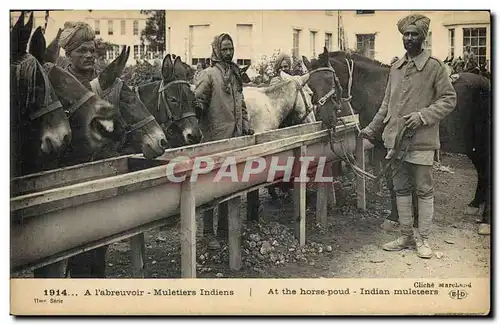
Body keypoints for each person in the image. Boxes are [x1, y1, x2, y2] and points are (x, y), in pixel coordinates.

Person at [359, 14, 457, 259]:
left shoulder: (435, 67)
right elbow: (386, 105)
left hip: (421, 140)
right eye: (406, 34)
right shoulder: (395, 68)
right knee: (400, 188)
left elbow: (449, 99)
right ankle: (405, 236)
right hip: (394, 141)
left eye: (415, 34)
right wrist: (371, 130)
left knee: (423, 189)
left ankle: (423, 239)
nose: (410, 38)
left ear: (423, 37)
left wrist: (423, 116)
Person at [194, 33, 254, 249]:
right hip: (214, 140)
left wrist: (246, 125)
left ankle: (224, 231)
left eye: (231, 49)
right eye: (225, 49)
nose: (228, 53)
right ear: (217, 50)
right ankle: (208, 234)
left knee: (229, 186)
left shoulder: (236, 74)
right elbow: (197, 104)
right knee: (211, 188)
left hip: (235, 139)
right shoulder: (208, 75)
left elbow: (242, 104)